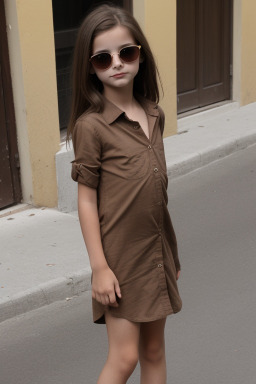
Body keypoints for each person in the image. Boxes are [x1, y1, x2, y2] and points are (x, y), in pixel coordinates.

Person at [68, 4, 182, 384]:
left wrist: (171, 253)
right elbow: (86, 200)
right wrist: (99, 267)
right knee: (125, 357)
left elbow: (156, 194)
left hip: (156, 250)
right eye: (103, 58)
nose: (117, 63)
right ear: (91, 67)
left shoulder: (154, 114)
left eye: (126, 53)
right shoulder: (92, 127)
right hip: (119, 258)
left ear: (140, 56)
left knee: (153, 351)